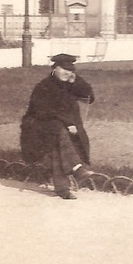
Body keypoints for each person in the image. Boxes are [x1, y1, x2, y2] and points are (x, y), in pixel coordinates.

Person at [19, 53, 95, 200]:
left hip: (60, 129)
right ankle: (76, 168)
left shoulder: (70, 85)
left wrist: (77, 82)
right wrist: (69, 123)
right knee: (56, 131)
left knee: (57, 142)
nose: (68, 73)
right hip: (36, 127)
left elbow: (89, 98)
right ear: (54, 69)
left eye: (71, 70)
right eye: (64, 69)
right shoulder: (43, 86)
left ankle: (64, 187)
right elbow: (44, 112)